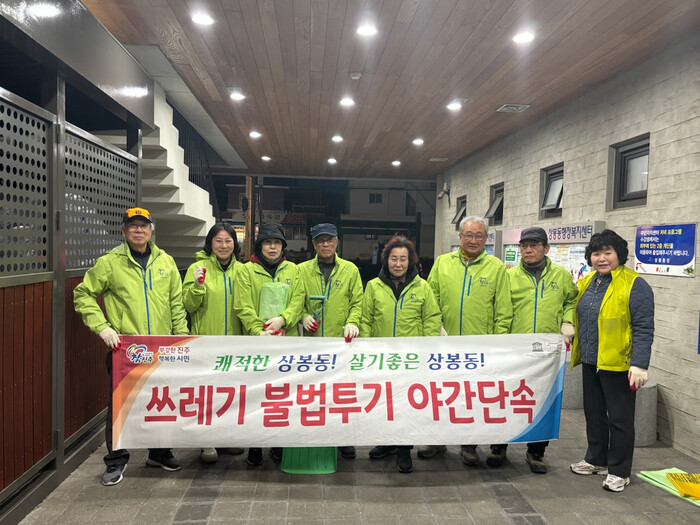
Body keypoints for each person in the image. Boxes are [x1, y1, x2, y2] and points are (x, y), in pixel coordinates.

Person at [73, 207, 188, 486]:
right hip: (125, 350)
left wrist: (182, 338)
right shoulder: (110, 262)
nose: (139, 230)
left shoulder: (166, 261)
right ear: (124, 231)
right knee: (121, 407)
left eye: (143, 226)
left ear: (151, 230)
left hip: (161, 350)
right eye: (133, 226)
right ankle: (116, 460)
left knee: (162, 401)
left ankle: (159, 453)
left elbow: (176, 303)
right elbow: (83, 294)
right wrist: (103, 327)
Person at [419, 216, 513, 466]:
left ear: (486, 239)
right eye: (468, 235)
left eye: (479, 236)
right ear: (460, 237)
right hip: (444, 346)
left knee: (471, 399)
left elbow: (503, 310)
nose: (473, 240)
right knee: (440, 396)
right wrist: (435, 329)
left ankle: (469, 445)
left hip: (478, 350)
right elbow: (430, 300)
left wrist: (496, 344)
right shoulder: (442, 263)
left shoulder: (496, 268)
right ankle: (436, 441)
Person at [569, 229, 654, 492]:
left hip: (619, 363)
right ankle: (596, 458)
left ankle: (619, 470)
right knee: (594, 414)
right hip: (591, 360)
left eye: (608, 252)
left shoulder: (634, 284)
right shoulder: (588, 281)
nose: (601, 258)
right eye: (596, 253)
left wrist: (640, 364)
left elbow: (643, 327)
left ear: (620, 255)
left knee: (620, 419)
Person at [360, 236, 442, 473]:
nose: (398, 264)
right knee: (384, 403)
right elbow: (366, 320)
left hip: (410, 360)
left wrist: (426, 351)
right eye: (394, 258)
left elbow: (431, 319)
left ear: (410, 261)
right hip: (382, 358)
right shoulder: (373, 286)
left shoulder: (422, 287)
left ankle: (404, 448)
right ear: (386, 260)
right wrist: (367, 350)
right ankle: (387, 443)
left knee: (406, 405)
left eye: (403, 259)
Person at [506, 226, 579, 473]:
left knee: (542, 400)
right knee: (508, 398)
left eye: (534, 245)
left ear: (546, 248)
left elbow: (571, 300)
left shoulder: (561, 276)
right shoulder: (509, 276)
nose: (528, 250)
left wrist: (567, 320)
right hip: (515, 349)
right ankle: (499, 447)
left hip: (547, 352)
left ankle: (536, 452)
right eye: (524, 246)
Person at [234, 223, 305, 466]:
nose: (272, 247)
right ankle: (255, 445)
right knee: (257, 396)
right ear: (260, 246)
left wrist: (283, 319)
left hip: (287, 344)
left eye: (277, 243)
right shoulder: (246, 271)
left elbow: (298, 300)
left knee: (283, 396)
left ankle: (279, 443)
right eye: (267, 242)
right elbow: (242, 305)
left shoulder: (293, 270)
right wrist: (258, 330)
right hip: (258, 345)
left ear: (283, 247)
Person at [298, 223, 364, 460]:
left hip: (342, 345)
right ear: (313, 244)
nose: (325, 244)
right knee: (314, 393)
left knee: (341, 394)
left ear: (337, 242)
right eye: (320, 241)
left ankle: (343, 438)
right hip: (312, 345)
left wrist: (352, 321)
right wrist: (303, 315)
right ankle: (315, 436)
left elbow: (357, 302)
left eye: (329, 240)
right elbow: (296, 301)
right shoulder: (302, 271)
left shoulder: (350, 270)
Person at [182, 223, 245, 464]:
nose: (223, 245)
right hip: (206, 342)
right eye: (218, 240)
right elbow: (188, 306)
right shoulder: (197, 268)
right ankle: (207, 441)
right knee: (207, 393)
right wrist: (198, 286)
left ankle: (227, 437)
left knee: (230, 392)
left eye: (228, 241)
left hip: (235, 344)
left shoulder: (243, 271)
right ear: (210, 243)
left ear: (235, 244)